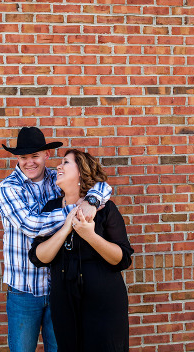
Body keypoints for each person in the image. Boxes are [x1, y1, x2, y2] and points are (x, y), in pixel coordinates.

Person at [0, 127, 112, 352]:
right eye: (23, 157)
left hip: (59, 289)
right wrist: (74, 211)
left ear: (47, 155)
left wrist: (92, 202)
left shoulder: (56, 178)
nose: (29, 162)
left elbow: (102, 185)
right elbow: (31, 225)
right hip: (24, 291)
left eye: (35, 156)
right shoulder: (8, 188)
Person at [29, 149, 133, 351]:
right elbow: (39, 257)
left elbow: (123, 259)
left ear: (81, 173)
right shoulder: (51, 209)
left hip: (103, 301)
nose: (58, 166)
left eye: (66, 162)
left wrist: (90, 235)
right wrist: (66, 228)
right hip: (64, 302)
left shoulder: (105, 209)